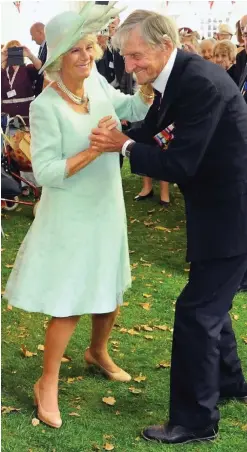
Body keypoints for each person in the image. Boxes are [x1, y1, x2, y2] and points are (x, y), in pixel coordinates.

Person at [90, 9, 247, 445]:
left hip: (233, 214)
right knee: (210, 303)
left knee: (197, 312)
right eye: (125, 57)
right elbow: (157, 129)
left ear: (164, 45)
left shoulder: (197, 82)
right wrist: (124, 130)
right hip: (220, 210)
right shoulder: (178, 78)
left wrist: (121, 146)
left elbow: (179, 163)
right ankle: (231, 384)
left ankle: (196, 420)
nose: (129, 66)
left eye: (136, 56)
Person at [3, 3, 151, 429]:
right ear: (57, 55)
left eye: (91, 46)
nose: (88, 55)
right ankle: (46, 382)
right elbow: (46, 171)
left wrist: (148, 81)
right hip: (69, 213)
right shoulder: (45, 105)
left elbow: (133, 111)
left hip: (106, 205)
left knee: (110, 285)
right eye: (76, 50)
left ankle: (97, 352)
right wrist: (96, 148)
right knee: (69, 301)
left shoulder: (100, 84)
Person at [1, 40, 41, 124]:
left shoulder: (27, 69)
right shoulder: (3, 72)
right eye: (11, 50)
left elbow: (40, 67)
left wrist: (30, 55)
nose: (14, 53)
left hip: (26, 114)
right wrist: (1, 58)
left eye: (17, 50)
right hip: (8, 115)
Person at [30, 22, 47, 96]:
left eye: (32, 35)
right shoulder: (42, 48)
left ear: (40, 32)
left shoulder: (50, 46)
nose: (32, 39)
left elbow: (45, 67)